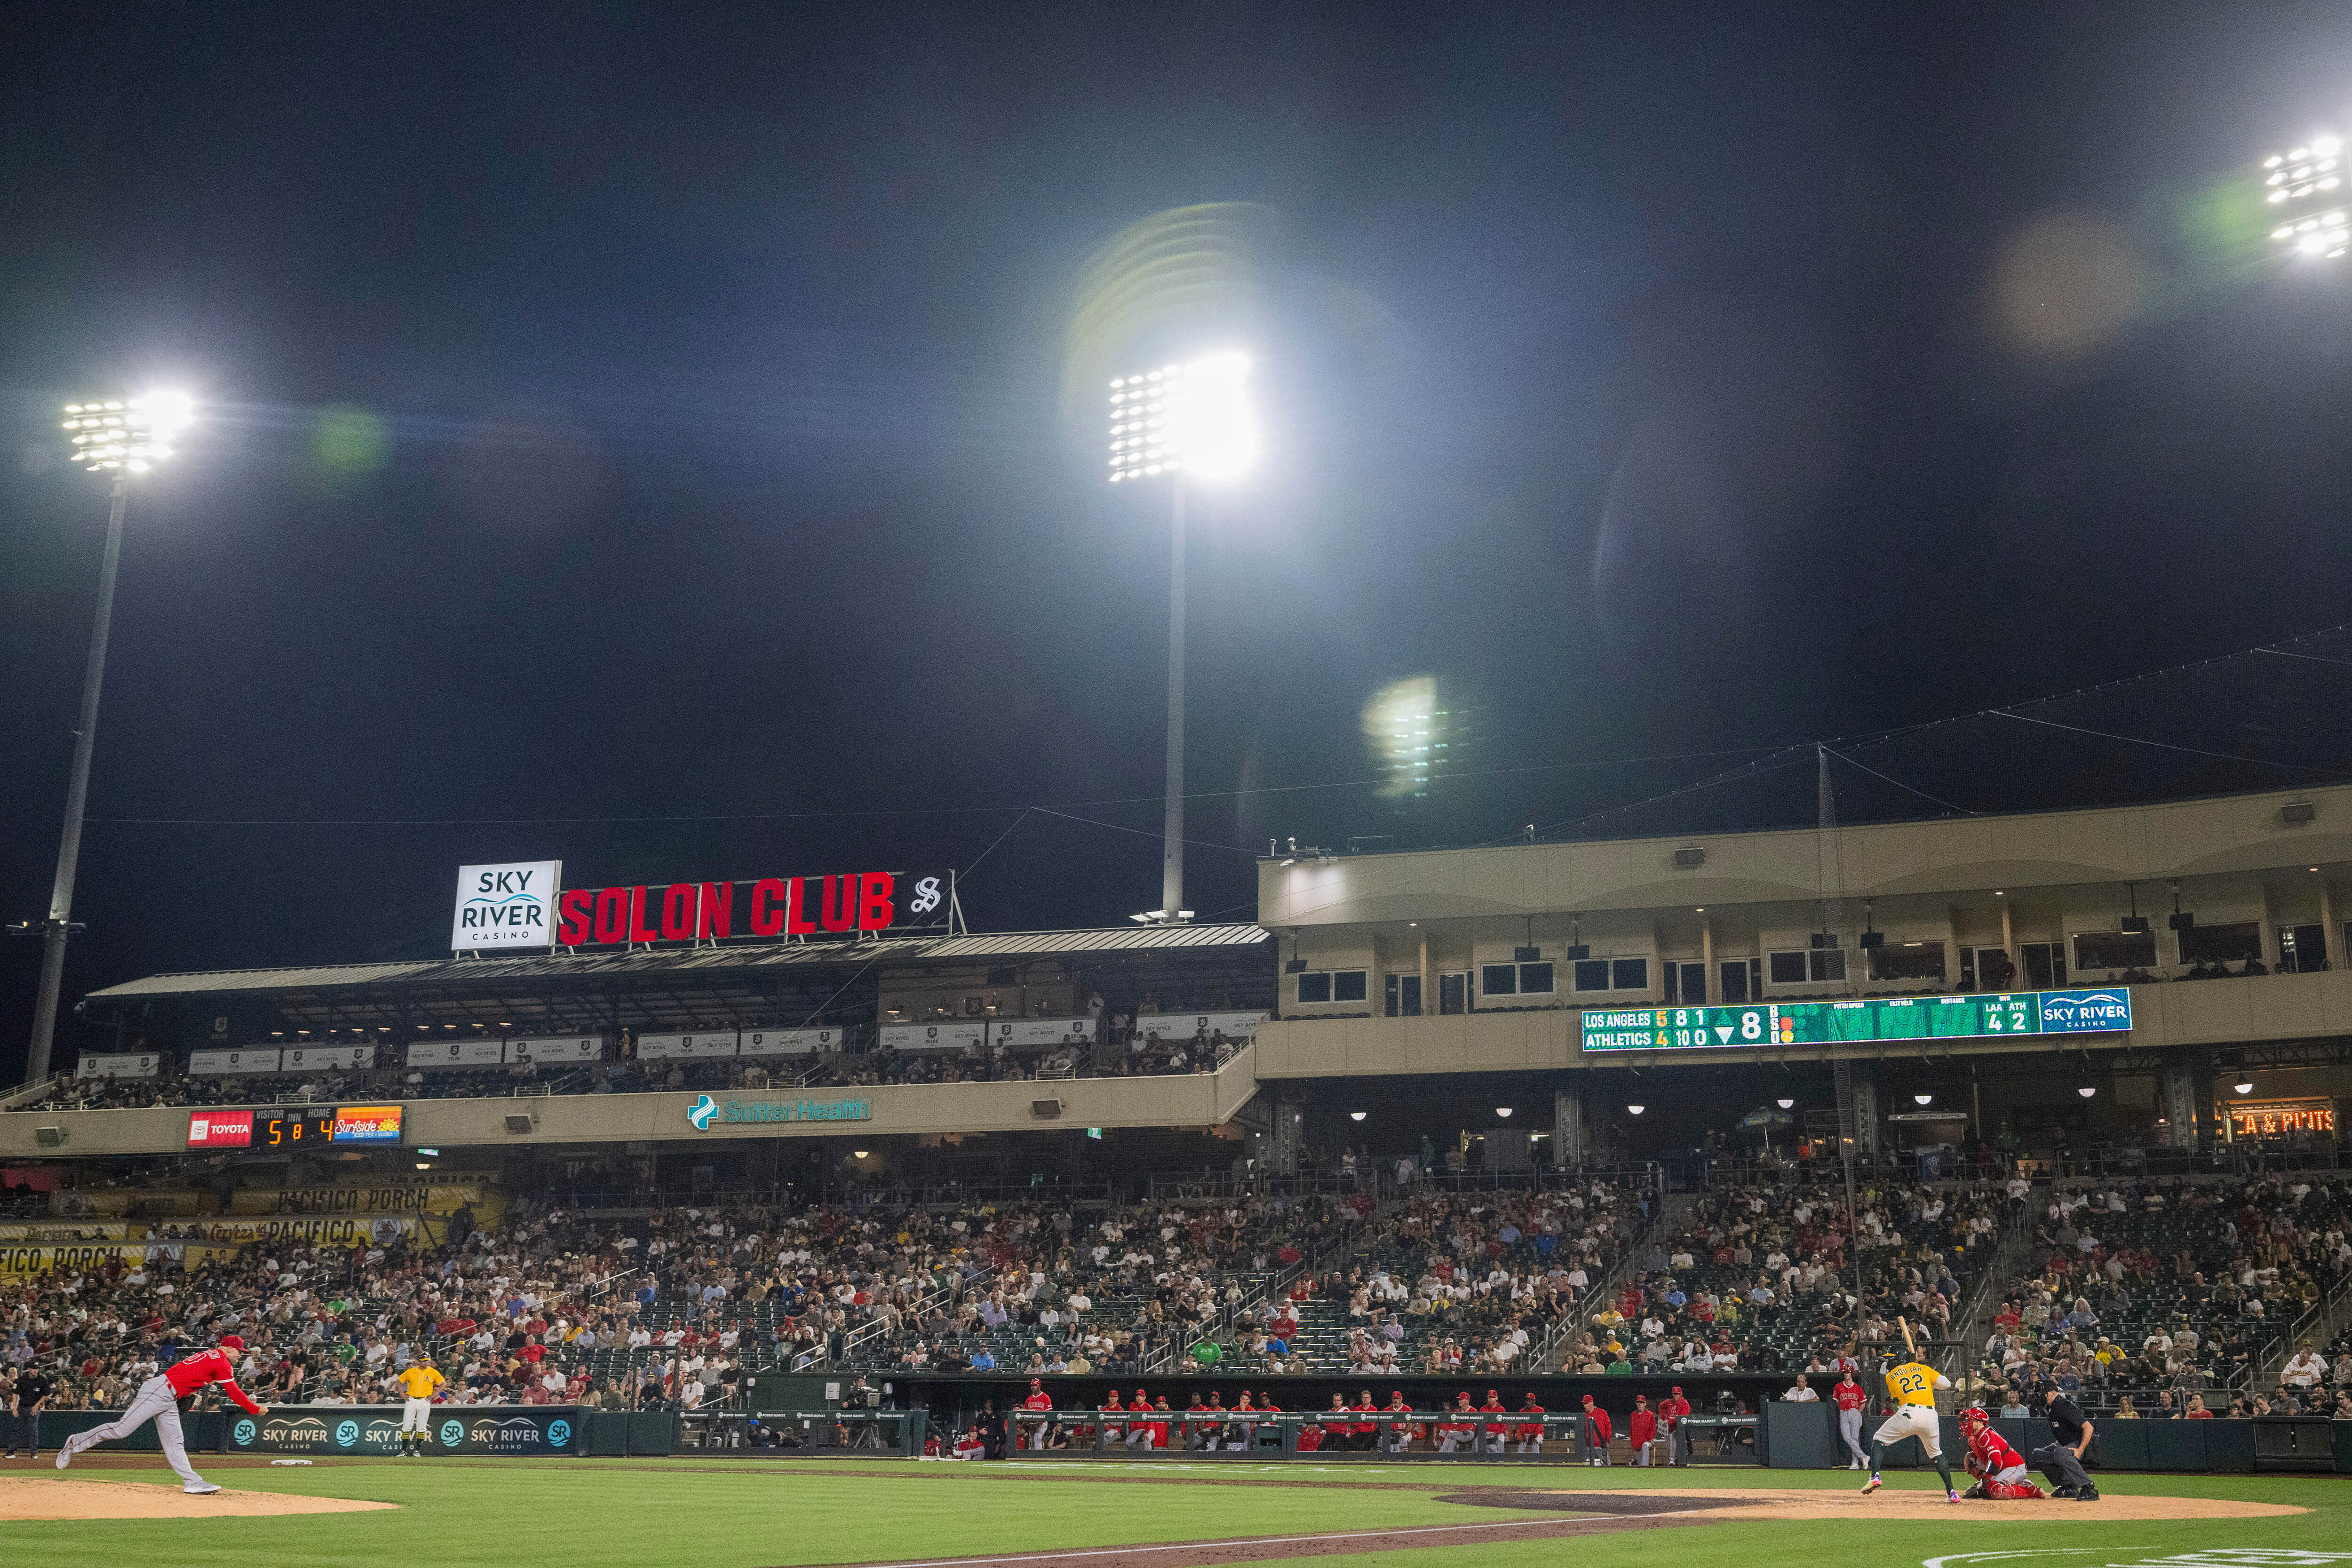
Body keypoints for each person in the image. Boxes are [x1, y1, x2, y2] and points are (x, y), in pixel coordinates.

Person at [56, 1335, 266, 1495]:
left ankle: (193, 1483)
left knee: (175, 1441)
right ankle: (75, 1442)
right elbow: (235, 1393)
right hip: (160, 1391)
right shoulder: (221, 1362)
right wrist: (255, 1409)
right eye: (239, 1351)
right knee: (122, 1430)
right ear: (229, 1349)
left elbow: (195, 1375)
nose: (241, 1355)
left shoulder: (211, 1355)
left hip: (170, 1397)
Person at [1860, 1352, 1959, 1502]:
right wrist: (1930, 1377)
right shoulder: (1923, 1368)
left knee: (1879, 1439)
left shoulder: (1890, 1377)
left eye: (1890, 1360)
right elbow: (1947, 1384)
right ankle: (1951, 1493)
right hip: (1930, 1415)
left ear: (1898, 1360)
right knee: (1936, 1454)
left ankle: (1875, 1476)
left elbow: (1898, 1397)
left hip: (1909, 1413)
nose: (1888, 1363)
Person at [1957, 1407, 2043, 1499]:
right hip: (2000, 1469)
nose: (1966, 1423)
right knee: (1970, 1459)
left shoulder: (1987, 1436)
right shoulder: (1972, 1437)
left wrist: (1984, 1483)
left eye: (1970, 1420)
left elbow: (1997, 1462)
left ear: (1980, 1422)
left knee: (1995, 1490)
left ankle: (2029, 1490)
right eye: (1965, 1420)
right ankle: (1989, 1486)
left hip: (2013, 1467)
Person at [2033, 1387, 2099, 1502]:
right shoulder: (2051, 1408)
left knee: (2061, 1453)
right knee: (2039, 1454)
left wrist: (2080, 1449)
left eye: (2043, 1394)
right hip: (2069, 1444)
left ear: (2053, 1393)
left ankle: (2089, 1488)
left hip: (2085, 1445)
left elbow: (2089, 1427)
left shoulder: (2065, 1406)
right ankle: (2068, 1487)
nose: (2040, 1396)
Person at [394, 1355, 445, 1458]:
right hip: (411, 1399)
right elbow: (399, 1381)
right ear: (418, 1362)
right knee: (407, 1425)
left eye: (427, 1361)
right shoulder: (411, 1371)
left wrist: (434, 1395)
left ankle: (417, 1451)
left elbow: (443, 1384)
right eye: (423, 1361)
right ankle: (404, 1451)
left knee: (422, 1427)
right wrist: (402, 1394)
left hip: (425, 1400)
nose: (425, 1363)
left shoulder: (433, 1372)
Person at [5, 1364, 54, 1463]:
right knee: (17, 1429)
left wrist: (37, 1405)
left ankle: (34, 1453)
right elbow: (15, 1393)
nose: (36, 1370)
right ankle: (11, 1452)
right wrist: (14, 1408)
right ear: (29, 1370)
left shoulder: (42, 1379)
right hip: (22, 1406)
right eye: (34, 1369)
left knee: (33, 1429)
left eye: (37, 1368)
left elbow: (46, 1394)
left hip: (34, 1408)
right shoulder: (22, 1380)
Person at [1831, 1368, 1868, 1469]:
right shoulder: (1838, 1386)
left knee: (1855, 1437)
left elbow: (1863, 1403)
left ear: (1852, 1374)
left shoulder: (1857, 1387)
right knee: (1847, 1437)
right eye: (1845, 1373)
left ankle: (1855, 1462)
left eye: (1848, 1373)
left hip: (1854, 1411)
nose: (1847, 1375)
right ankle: (1864, 1457)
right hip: (1844, 1412)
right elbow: (1837, 1401)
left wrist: (1857, 1413)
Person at [1658, 1385, 1691, 1468]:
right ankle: (1670, 1460)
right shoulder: (1669, 1402)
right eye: (1674, 1394)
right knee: (1668, 1444)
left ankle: (1673, 1459)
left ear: (1681, 1394)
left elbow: (1682, 1419)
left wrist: (1668, 1421)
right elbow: (1661, 1406)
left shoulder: (1685, 1404)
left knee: (1675, 1438)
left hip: (1679, 1428)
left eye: (1677, 1394)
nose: (1676, 1396)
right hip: (1669, 1427)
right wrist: (1663, 1418)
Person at [1019, 1379, 1054, 1451]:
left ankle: (1038, 1457)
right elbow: (1026, 1412)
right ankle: (1033, 1457)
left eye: (1035, 1386)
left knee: (1037, 1438)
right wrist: (1026, 1424)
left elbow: (1049, 1412)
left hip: (1042, 1423)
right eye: (1032, 1386)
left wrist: (1040, 1422)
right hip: (1032, 1423)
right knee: (1032, 1441)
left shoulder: (1045, 1397)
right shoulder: (1029, 1399)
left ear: (1039, 1386)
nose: (1032, 1387)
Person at [1579, 1393, 1613, 1465]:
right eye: (1584, 1404)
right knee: (1590, 1468)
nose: (1585, 1406)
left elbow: (1609, 1428)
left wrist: (1607, 1441)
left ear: (1592, 1403)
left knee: (1606, 1466)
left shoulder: (1602, 1413)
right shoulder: (1583, 1415)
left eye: (1587, 1404)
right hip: (1588, 1447)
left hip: (1601, 1446)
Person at [1628, 1394, 1658, 1466]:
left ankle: (1645, 1467)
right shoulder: (1633, 1415)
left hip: (1647, 1441)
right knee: (1640, 1463)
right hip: (1637, 1442)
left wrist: (1649, 1439)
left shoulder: (1650, 1415)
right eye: (1639, 1402)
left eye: (1642, 1403)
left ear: (1645, 1404)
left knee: (1645, 1446)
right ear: (1636, 1403)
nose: (1640, 1404)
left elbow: (1653, 1429)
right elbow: (1632, 1429)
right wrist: (1633, 1442)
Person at [1514, 1392, 1548, 1456]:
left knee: (1536, 1442)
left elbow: (1539, 1426)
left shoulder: (1540, 1410)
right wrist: (1523, 1437)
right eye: (1527, 1400)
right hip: (1526, 1434)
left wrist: (1534, 1436)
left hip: (1538, 1433)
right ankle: (1519, 1462)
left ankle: (1536, 1462)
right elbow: (1521, 1426)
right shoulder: (1522, 1411)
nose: (1528, 1402)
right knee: (1522, 1444)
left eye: (1530, 1401)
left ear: (1534, 1401)